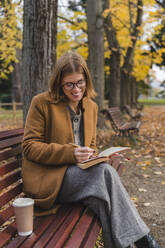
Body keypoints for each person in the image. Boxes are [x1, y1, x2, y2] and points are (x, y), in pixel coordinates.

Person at [22, 51, 162, 248]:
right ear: (59, 84)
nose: (76, 89)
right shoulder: (42, 103)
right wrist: (70, 153)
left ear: (86, 79)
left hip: (84, 177)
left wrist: (98, 156)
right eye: (69, 84)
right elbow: (29, 147)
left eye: (80, 82)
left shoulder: (91, 106)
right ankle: (146, 242)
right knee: (105, 173)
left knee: (102, 200)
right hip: (51, 178)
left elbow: (91, 145)